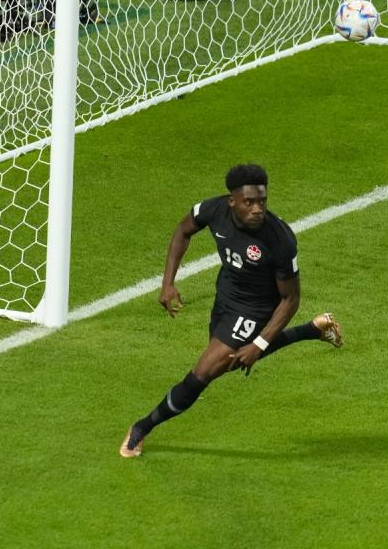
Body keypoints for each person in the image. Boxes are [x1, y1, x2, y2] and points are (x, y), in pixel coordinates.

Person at [120, 164, 342, 458]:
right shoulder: (213, 211)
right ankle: (313, 329)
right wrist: (168, 283)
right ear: (232, 201)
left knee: (202, 374)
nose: (257, 208)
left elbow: (290, 300)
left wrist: (260, 342)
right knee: (230, 361)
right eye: (249, 202)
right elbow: (182, 231)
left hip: (256, 308)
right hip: (225, 294)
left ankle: (141, 428)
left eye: (262, 201)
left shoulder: (279, 240)